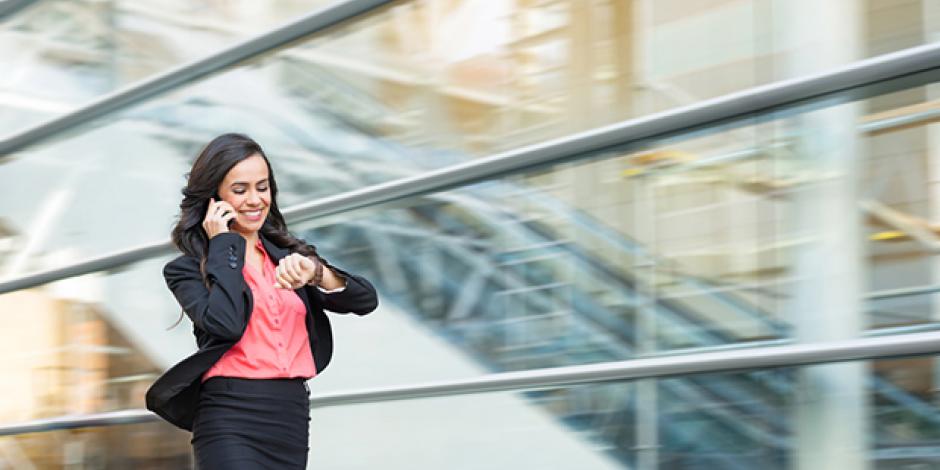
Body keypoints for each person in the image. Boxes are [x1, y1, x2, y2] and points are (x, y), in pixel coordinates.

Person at [145, 133, 378, 469]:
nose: (255, 199)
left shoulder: (288, 257)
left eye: (262, 187)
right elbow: (226, 324)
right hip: (229, 414)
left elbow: (365, 299)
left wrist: (316, 273)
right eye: (240, 190)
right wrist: (224, 243)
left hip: (289, 415)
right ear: (215, 199)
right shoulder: (187, 269)